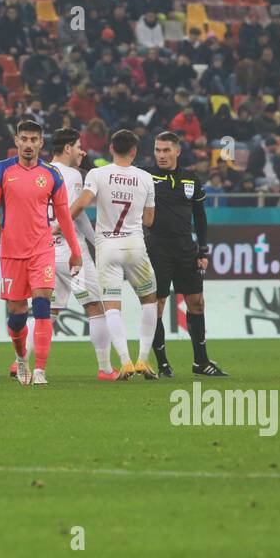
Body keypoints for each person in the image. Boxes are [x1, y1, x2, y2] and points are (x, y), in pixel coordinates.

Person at [0, 120, 81, 386]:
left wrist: (75, 250)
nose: (29, 145)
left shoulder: (51, 174)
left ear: (41, 143)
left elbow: (64, 216)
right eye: (24, 139)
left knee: (43, 304)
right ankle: (22, 358)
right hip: (12, 253)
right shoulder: (1, 170)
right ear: (16, 141)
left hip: (41, 250)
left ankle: (41, 371)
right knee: (17, 314)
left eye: (34, 140)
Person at [72, 129, 161, 381]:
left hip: (107, 247)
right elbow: (149, 219)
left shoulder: (98, 174)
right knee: (149, 301)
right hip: (135, 245)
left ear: (111, 148)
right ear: (134, 152)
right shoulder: (145, 178)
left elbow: (81, 204)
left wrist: (61, 223)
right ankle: (143, 359)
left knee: (111, 307)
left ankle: (125, 362)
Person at [146, 131, 228, 377]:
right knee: (157, 306)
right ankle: (162, 364)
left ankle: (200, 362)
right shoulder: (146, 176)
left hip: (186, 249)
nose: (161, 155)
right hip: (157, 248)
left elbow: (200, 216)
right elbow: (114, 175)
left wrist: (202, 249)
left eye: (166, 150)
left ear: (177, 151)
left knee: (196, 303)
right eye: (158, 150)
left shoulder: (190, 178)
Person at [36, 128, 113, 380]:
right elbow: (76, 216)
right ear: (67, 148)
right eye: (79, 146)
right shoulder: (73, 175)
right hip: (71, 252)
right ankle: (105, 369)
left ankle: (21, 362)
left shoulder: (40, 172)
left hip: (46, 251)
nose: (82, 151)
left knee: (48, 311)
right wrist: (97, 243)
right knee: (95, 306)